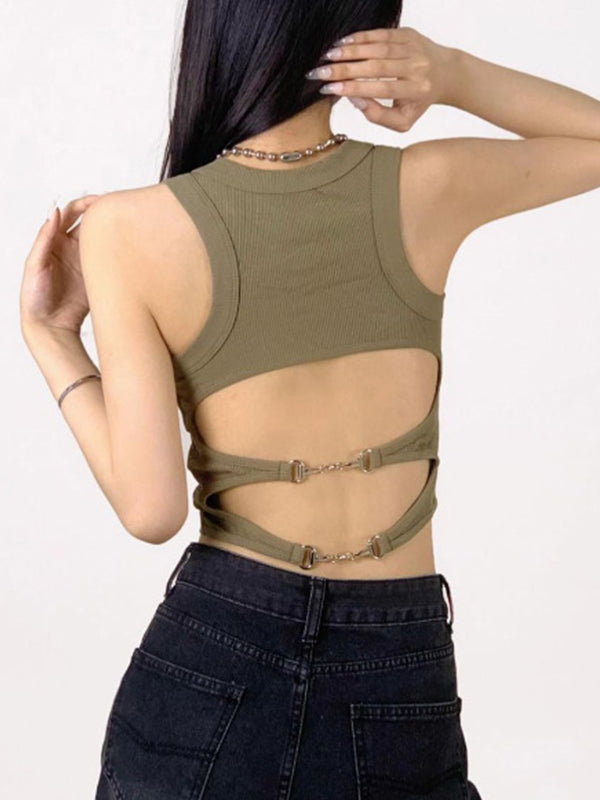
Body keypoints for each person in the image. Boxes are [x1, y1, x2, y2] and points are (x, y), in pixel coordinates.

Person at [19, 2, 600, 798]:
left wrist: (53, 339)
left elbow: (151, 512)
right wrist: (453, 74)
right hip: (397, 660)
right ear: (370, 30)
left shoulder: (126, 228)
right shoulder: (427, 185)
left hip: (213, 658)